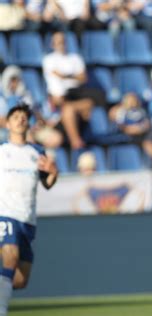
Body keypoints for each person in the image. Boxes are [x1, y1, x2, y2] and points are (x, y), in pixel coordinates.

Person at [0, 104, 58, 315]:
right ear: (8, 123)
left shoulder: (36, 153)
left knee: (20, 279)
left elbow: (48, 183)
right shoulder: (1, 151)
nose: (20, 120)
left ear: (28, 123)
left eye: (24, 117)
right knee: (10, 257)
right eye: (15, 116)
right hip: (5, 215)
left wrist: (53, 172)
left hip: (27, 220)